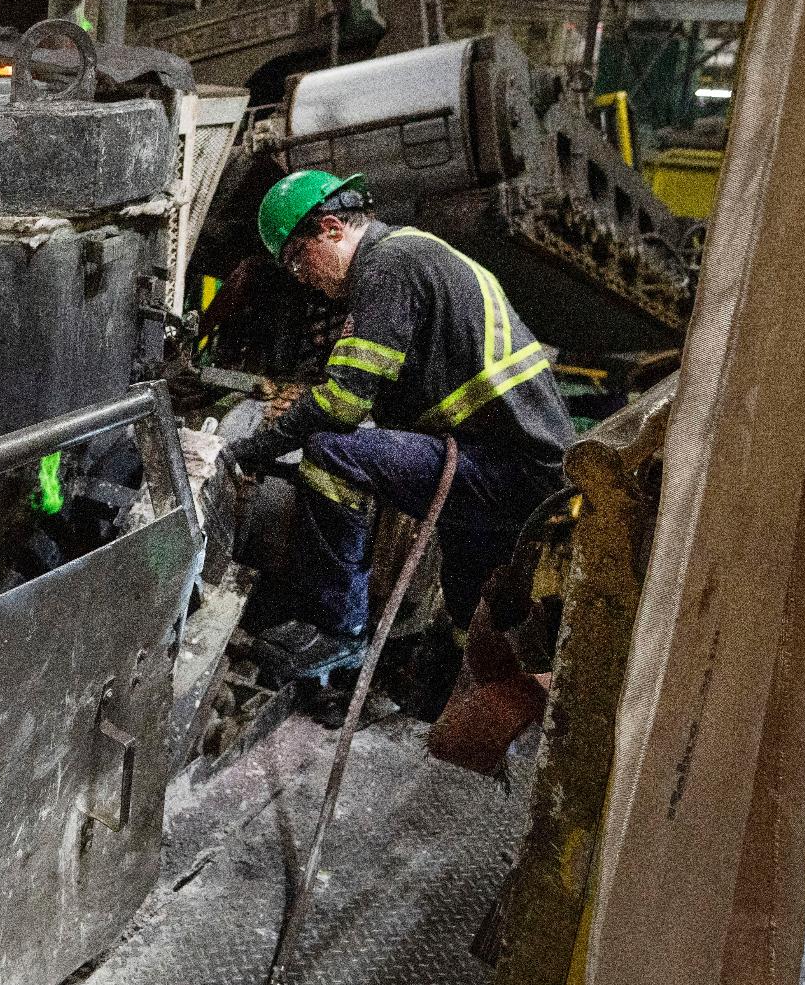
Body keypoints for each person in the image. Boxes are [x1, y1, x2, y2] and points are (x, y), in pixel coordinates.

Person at [224, 170, 575, 683]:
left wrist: (255, 447)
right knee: (469, 591)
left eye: (297, 259)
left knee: (330, 453)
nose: (300, 276)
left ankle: (339, 631)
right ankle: (454, 682)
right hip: (520, 468)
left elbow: (343, 402)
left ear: (330, 229)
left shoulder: (387, 267)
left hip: (510, 469)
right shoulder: (410, 255)